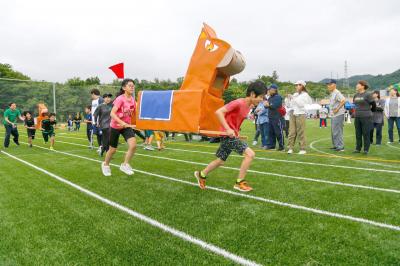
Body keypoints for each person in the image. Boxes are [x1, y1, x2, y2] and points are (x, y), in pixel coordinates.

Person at [194, 81, 266, 192]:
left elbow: (235, 120)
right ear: (252, 94)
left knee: (221, 161)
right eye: (261, 97)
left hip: (232, 135)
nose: (261, 99)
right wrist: (228, 129)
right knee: (250, 154)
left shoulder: (249, 105)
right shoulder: (238, 102)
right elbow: (219, 112)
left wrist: (236, 131)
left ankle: (201, 175)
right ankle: (239, 182)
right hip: (227, 135)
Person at [101, 78, 137, 176]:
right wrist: (121, 122)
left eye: (133, 85)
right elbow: (112, 114)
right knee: (113, 150)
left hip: (126, 126)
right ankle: (105, 165)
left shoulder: (133, 100)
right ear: (124, 88)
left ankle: (124, 165)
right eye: (130, 85)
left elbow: (134, 113)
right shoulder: (120, 99)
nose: (132, 87)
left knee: (133, 145)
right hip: (115, 127)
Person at [287, 80, 312, 154]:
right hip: (293, 113)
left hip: (301, 114)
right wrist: (289, 99)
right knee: (291, 131)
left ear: (302, 86)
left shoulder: (305, 95)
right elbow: (290, 105)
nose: (296, 86)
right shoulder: (295, 94)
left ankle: (302, 149)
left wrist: (293, 98)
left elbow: (301, 104)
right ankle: (290, 147)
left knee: (301, 132)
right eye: (296, 85)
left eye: (298, 85)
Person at [353, 80, 376, 154]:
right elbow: (355, 105)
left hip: (366, 117)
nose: (356, 85)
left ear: (363, 86)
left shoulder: (368, 94)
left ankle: (366, 149)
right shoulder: (356, 95)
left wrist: (370, 112)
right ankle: (358, 148)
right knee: (358, 133)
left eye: (358, 84)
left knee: (366, 133)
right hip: (357, 116)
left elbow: (374, 104)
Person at [327, 79, 346, 152]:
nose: (328, 86)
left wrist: (337, 109)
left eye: (330, 84)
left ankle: (340, 147)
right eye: (328, 85)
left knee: (338, 131)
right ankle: (336, 145)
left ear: (334, 85)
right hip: (334, 115)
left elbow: (343, 100)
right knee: (334, 131)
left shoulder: (337, 92)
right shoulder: (332, 93)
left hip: (338, 114)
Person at [264, 84, 284, 151]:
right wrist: (266, 105)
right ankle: (272, 146)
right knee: (271, 132)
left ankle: (281, 146)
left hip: (277, 117)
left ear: (274, 90)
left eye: (270, 89)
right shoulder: (269, 98)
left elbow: (275, 106)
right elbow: (266, 106)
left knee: (278, 132)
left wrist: (268, 105)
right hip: (270, 117)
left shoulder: (278, 97)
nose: (268, 90)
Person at [91, 88, 104, 153]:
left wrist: (100, 121)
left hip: (99, 122)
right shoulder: (93, 101)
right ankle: (100, 147)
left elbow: (103, 110)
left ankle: (103, 147)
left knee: (102, 135)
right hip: (94, 122)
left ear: (93, 94)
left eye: (91, 95)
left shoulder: (101, 100)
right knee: (98, 135)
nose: (91, 96)